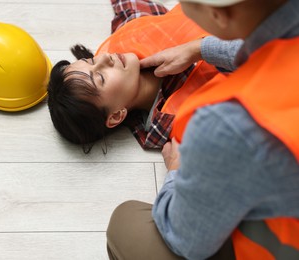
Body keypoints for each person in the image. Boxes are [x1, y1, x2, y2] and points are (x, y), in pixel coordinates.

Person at [107, 0, 299, 259]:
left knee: (126, 222)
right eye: (96, 75)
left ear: (218, 15)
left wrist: (176, 170)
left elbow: (189, 240)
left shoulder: (223, 123)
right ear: (114, 116)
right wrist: (200, 48)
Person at [47, 0, 222, 152]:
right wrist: (200, 50)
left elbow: (131, 8)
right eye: (101, 77)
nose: (106, 58)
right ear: (116, 116)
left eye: (91, 61)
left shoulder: (127, 40)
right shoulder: (181, 121)